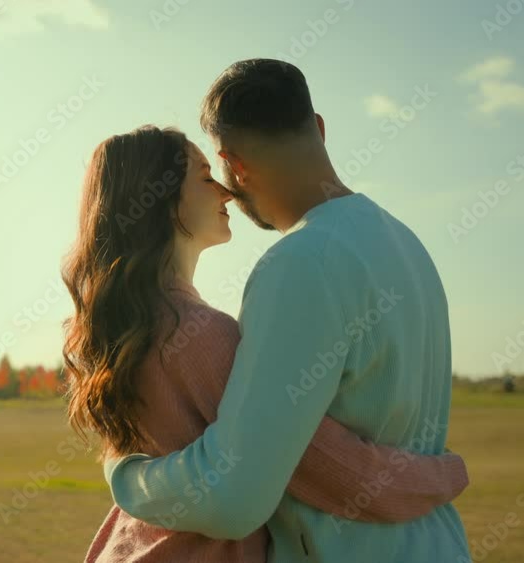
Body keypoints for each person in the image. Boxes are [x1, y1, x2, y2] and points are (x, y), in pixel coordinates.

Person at [62, 123, 469, 562]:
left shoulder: (123, 329)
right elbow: (336, 471)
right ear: (159, 200)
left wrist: (122, 476)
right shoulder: (200, 336)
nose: (225, 192)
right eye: (204, 177)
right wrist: (445, 475)